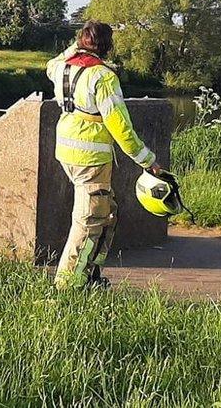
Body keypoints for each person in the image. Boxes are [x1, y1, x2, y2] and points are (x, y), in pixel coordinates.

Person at [46, 21, 162, 290]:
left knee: (106, 213)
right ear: (108, 46)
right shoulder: (103, 76)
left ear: (80, 41)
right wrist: (148, 160)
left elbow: (53, 62)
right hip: (91, 157)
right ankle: (68, 285)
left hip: (66, 151)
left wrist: (75, 45)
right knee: (88, 221)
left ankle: (90, 275)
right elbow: (120, 127)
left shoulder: (62, 67)